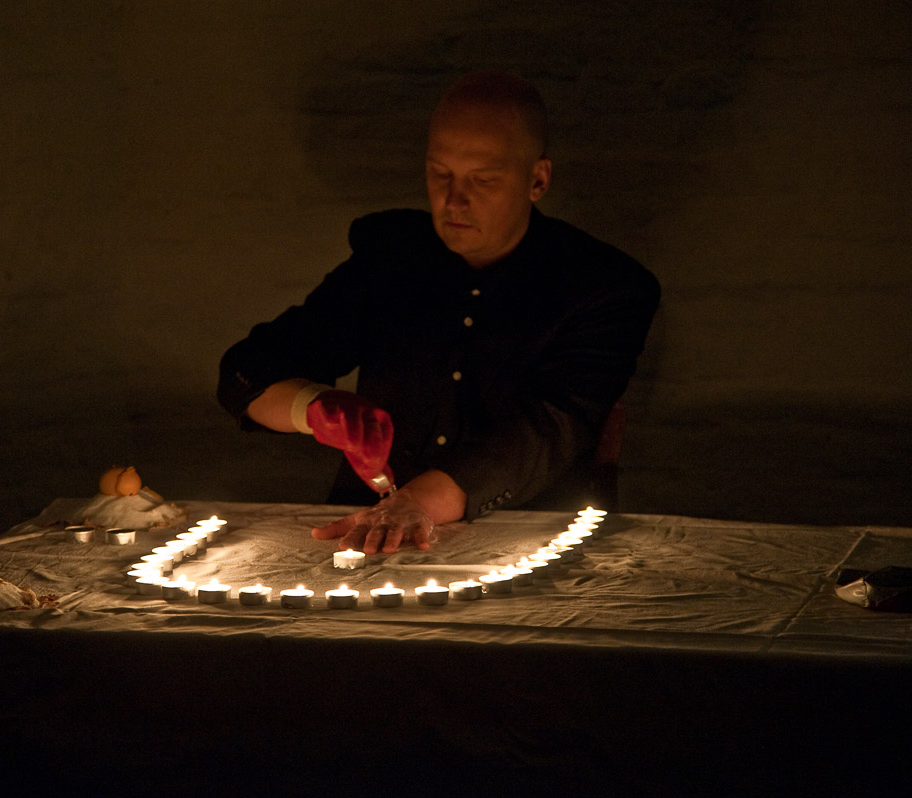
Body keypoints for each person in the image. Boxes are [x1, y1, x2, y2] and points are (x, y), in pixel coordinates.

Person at [217, 71, 659, 554]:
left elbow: (549, 428)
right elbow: (248, 370)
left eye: (482, 180)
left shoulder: (604, 286)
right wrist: (313, 407)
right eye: (439, 173)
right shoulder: (392, 257)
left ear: (537, 180)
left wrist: (419, 502)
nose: (453, 200)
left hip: (527, 538)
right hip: (368, 533)